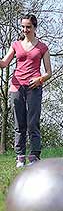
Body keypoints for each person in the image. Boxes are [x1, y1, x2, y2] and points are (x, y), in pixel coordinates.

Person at [0, 14, 52, 168]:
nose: (25, 29)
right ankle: (20, 157)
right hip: (16, 87)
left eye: (28, 26)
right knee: (19, 123)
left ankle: (34, 156)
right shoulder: (16, 45)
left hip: (33, 87)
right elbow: (4, 63)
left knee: (32, 122)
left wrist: (39, 80)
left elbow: (49, 72)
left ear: (35, 27)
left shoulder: (42, 47)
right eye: (23, 27)